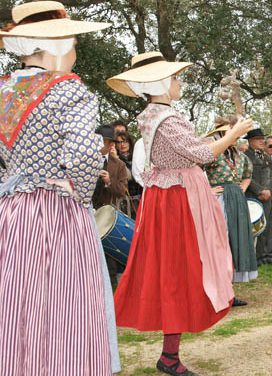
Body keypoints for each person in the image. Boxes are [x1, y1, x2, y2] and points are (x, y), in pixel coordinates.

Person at [108, 51, 253, 375]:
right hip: (176, 202)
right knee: (179, 273)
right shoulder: (166, 117)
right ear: (160, 81)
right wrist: (233, 133)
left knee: (173, 274)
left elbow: (182, 149)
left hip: (166, 197)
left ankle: (169, 354)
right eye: (174, 77)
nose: (178, 82)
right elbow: (201, 154)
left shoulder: (152, 114)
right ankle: (169, 356)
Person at [0, 1, 118, 373]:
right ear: (57, 45)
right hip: (55, 213)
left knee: (17, 303)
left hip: (12, 212)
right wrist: (80, 195)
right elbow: (84, 154)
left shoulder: (3, 91)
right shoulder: (67, 89)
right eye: (72, 44)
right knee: (62, 303)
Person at [204, 119, 256, 307]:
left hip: (236, 199)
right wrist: (207, 190)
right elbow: (195, 171)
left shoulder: (241, 157)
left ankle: (229, 292)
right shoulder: (213, 152)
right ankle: (217, 291)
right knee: (219, 243)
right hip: (218, 200)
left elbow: (248, 174)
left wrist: (240, 188)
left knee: (235, 240)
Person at [244, 128, 272, 265]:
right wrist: (260, 191)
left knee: (264, 227)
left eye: (263, 138)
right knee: (251, 229)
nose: (262, 141)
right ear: (250, 141)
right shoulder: (245, 156)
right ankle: (251, 258)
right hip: (252, 197)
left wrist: (269, 191)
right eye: (258, 139)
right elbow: (246, 177)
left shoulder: (267, 157)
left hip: (266, 198)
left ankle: (260, 257)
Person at [92, 125, 129, 209]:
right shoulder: (86, 160)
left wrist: (109, 182)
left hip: (108, 213)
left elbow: (123, 191)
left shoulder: (119, 164)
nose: (97, 143)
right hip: (86, 209)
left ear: (111, 144)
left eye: (102, 141)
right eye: (96, 140)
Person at [115, 130, 143, 216]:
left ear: (129, 142)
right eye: (119, 142)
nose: (122, 145)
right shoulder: (115, 160)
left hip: (141, 197)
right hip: (124, 201)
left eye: (125, 141)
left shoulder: (138, 156)